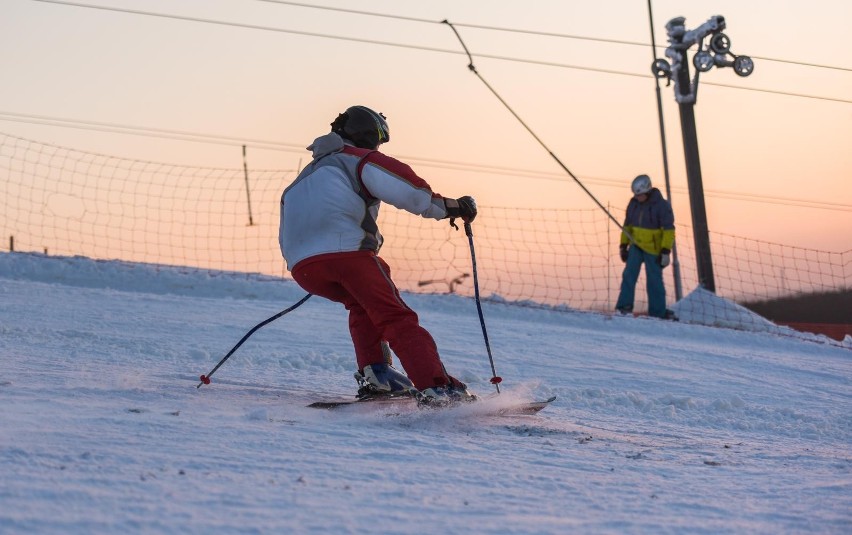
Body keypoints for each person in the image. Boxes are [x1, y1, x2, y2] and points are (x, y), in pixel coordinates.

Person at [278, 105, 478, 406]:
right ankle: (437, 387)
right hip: (349, 257)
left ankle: (379, 376)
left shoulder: (303, 178)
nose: (379, 146)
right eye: (380, 140)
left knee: (362, 307)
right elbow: (412, 194)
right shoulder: (359, 160)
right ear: (371, 136)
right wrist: (453, 207)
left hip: (304, 268)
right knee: (395, 317)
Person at [615, 174, 676, 319]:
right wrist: (623, 245)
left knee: (654, 280)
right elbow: (627, 226)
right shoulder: (633, 204)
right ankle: (624, 307)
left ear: (647, 191)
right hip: (636, 246)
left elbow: (668, 230)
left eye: (640, 195)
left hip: (654, 249)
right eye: (636, 195)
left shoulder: (662, 206)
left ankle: (657, 312)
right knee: (629, 275)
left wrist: (666, 251)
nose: (638, 198)